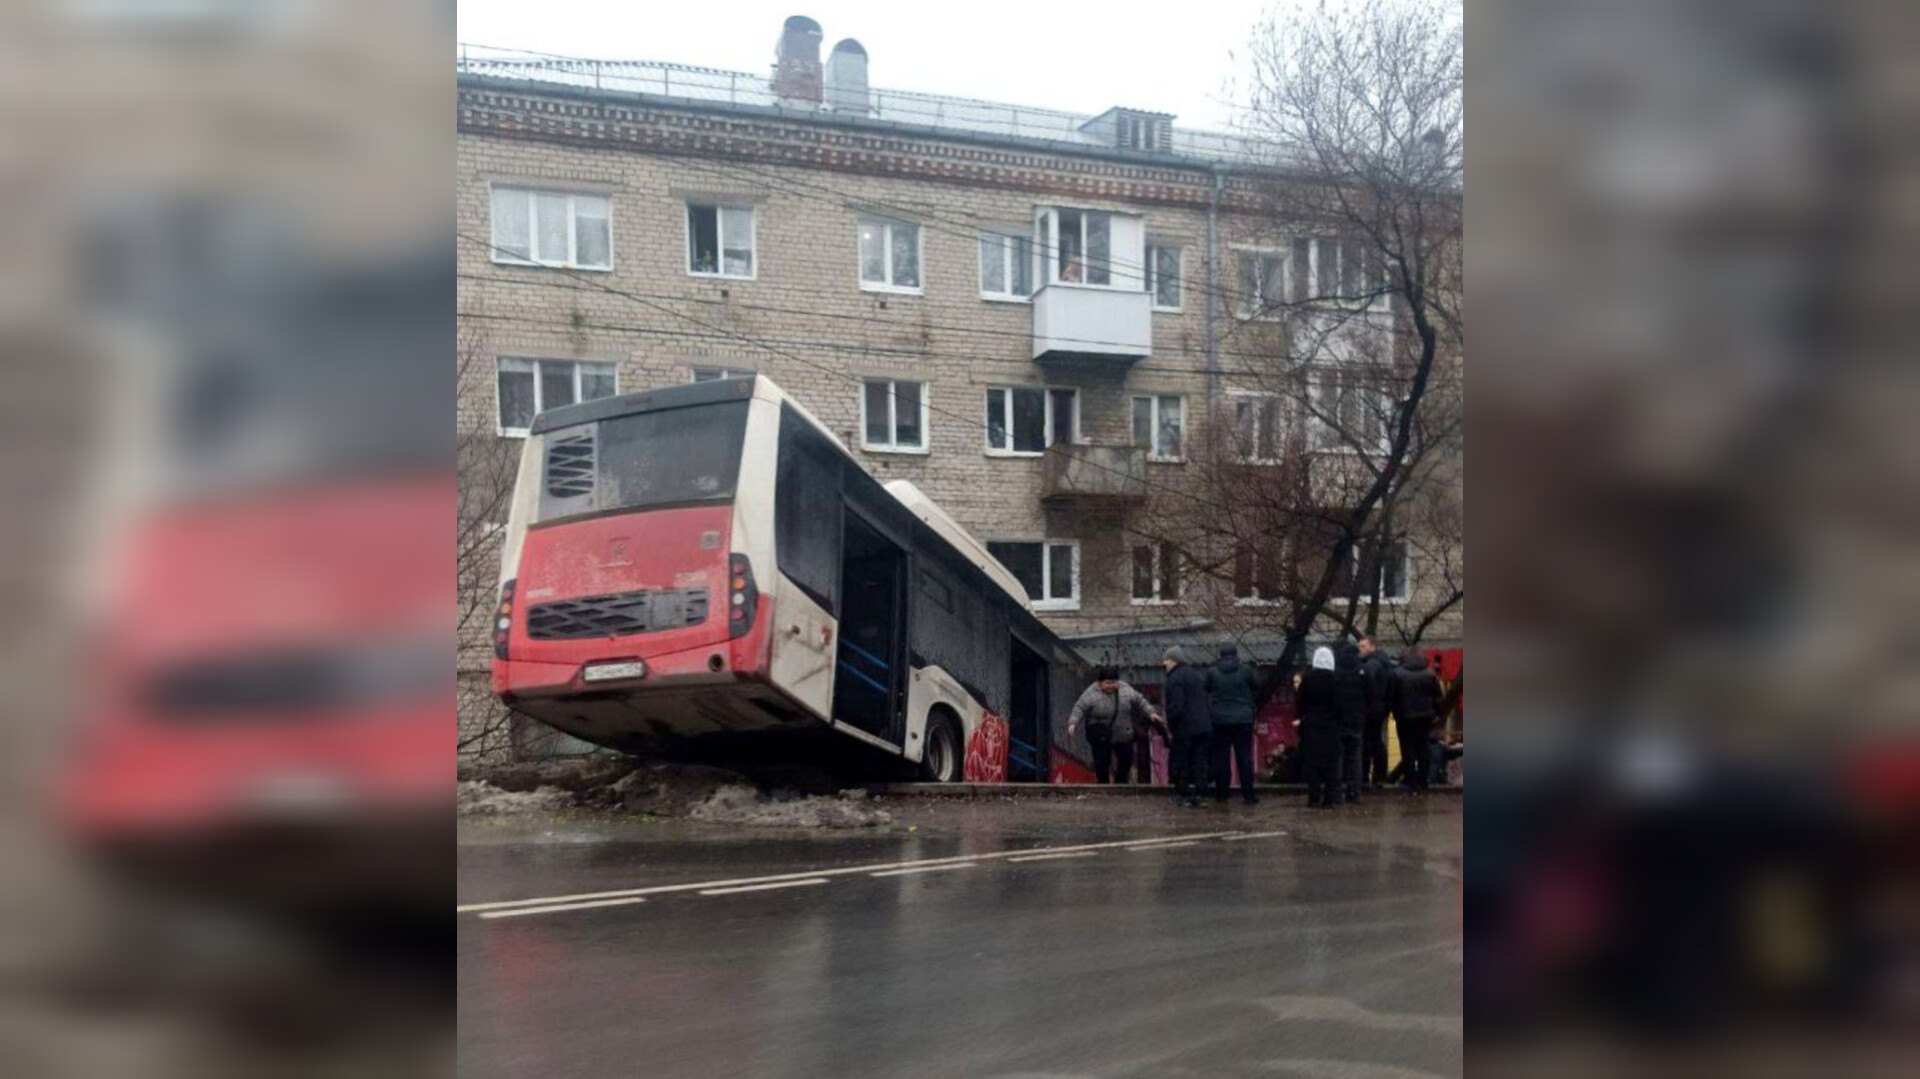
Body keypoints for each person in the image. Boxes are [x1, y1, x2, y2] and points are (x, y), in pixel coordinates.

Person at [1065, 666, 1158, 784]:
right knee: (1102, 764)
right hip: (1101, 735)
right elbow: (1079, 708)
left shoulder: (1126, 690)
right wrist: (1073, 724)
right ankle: (1104, 788)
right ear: (1100, 683)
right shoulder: (1090, 694)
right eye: (1108, 683)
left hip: (1123, 734)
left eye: (1114, 682)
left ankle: (1120, 786)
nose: (1111, 686)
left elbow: (1140, 701)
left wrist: (1151, 713)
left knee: (1126, 760)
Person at [1205, 642, 1262, 805]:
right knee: (1244, 757)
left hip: (1220, 720)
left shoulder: (1213, 672)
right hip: (1243, 719)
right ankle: (1248, 796)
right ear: (1236, 654)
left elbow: (1206, 688)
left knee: (1221, 758)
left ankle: (1222, 795)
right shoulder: (1246, 671)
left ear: (1220, 654)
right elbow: (1256, 686)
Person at [1161, 646, 1211, 808]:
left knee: (1181, 761)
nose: (1164, 664)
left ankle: (1183, 795)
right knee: (1199, 760)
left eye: (1167, 660)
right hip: (1202, 726)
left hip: (1185, 728)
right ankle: (1201, 794)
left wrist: (1171, 724)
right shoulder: (1194, 675)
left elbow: (1177, 706)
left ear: (1174, 660)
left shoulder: (1174, 678)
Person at [1388, 649, 1444, 790]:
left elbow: (1391, 696)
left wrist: (1393, 712)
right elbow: (1438, 697)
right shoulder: (1430, 674)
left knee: (1407, 749)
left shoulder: (1397, 673)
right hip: (1425, 717)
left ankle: (1410, 780)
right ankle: (1423, 780)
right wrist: (1437, 714)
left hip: (1404, 717)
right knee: (1423, 749)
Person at [1293, 647, 1341, 808]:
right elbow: (1340, 705)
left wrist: (1304, 718)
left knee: (1312, 763)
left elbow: (1300, 703)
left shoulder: (1308, 679)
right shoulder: (1336, 680)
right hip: (1331, 726)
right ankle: (1329, 798)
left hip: (1311, 725)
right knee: (1330, 764)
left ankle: (1314, 797)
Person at [1333, 642, 1369, 804]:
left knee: (1338, 756)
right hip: (1356, 719)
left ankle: (1337, 790)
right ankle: (1353, 791)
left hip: (1339, 720)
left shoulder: (1336, 672)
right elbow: (1371, 694)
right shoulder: (1362, 671)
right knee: (1354, 757)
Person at [1357, 636, 1393, 788]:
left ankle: (1366, 776)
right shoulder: (1384, 664)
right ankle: (1379, 776)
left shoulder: (1370, 666)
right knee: (1377, 741)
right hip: (1380, 709)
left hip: (1369, 710)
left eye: (1363, 646)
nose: (1360, 649)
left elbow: (1368, 688)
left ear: (1372, 647)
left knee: (1368, 742)